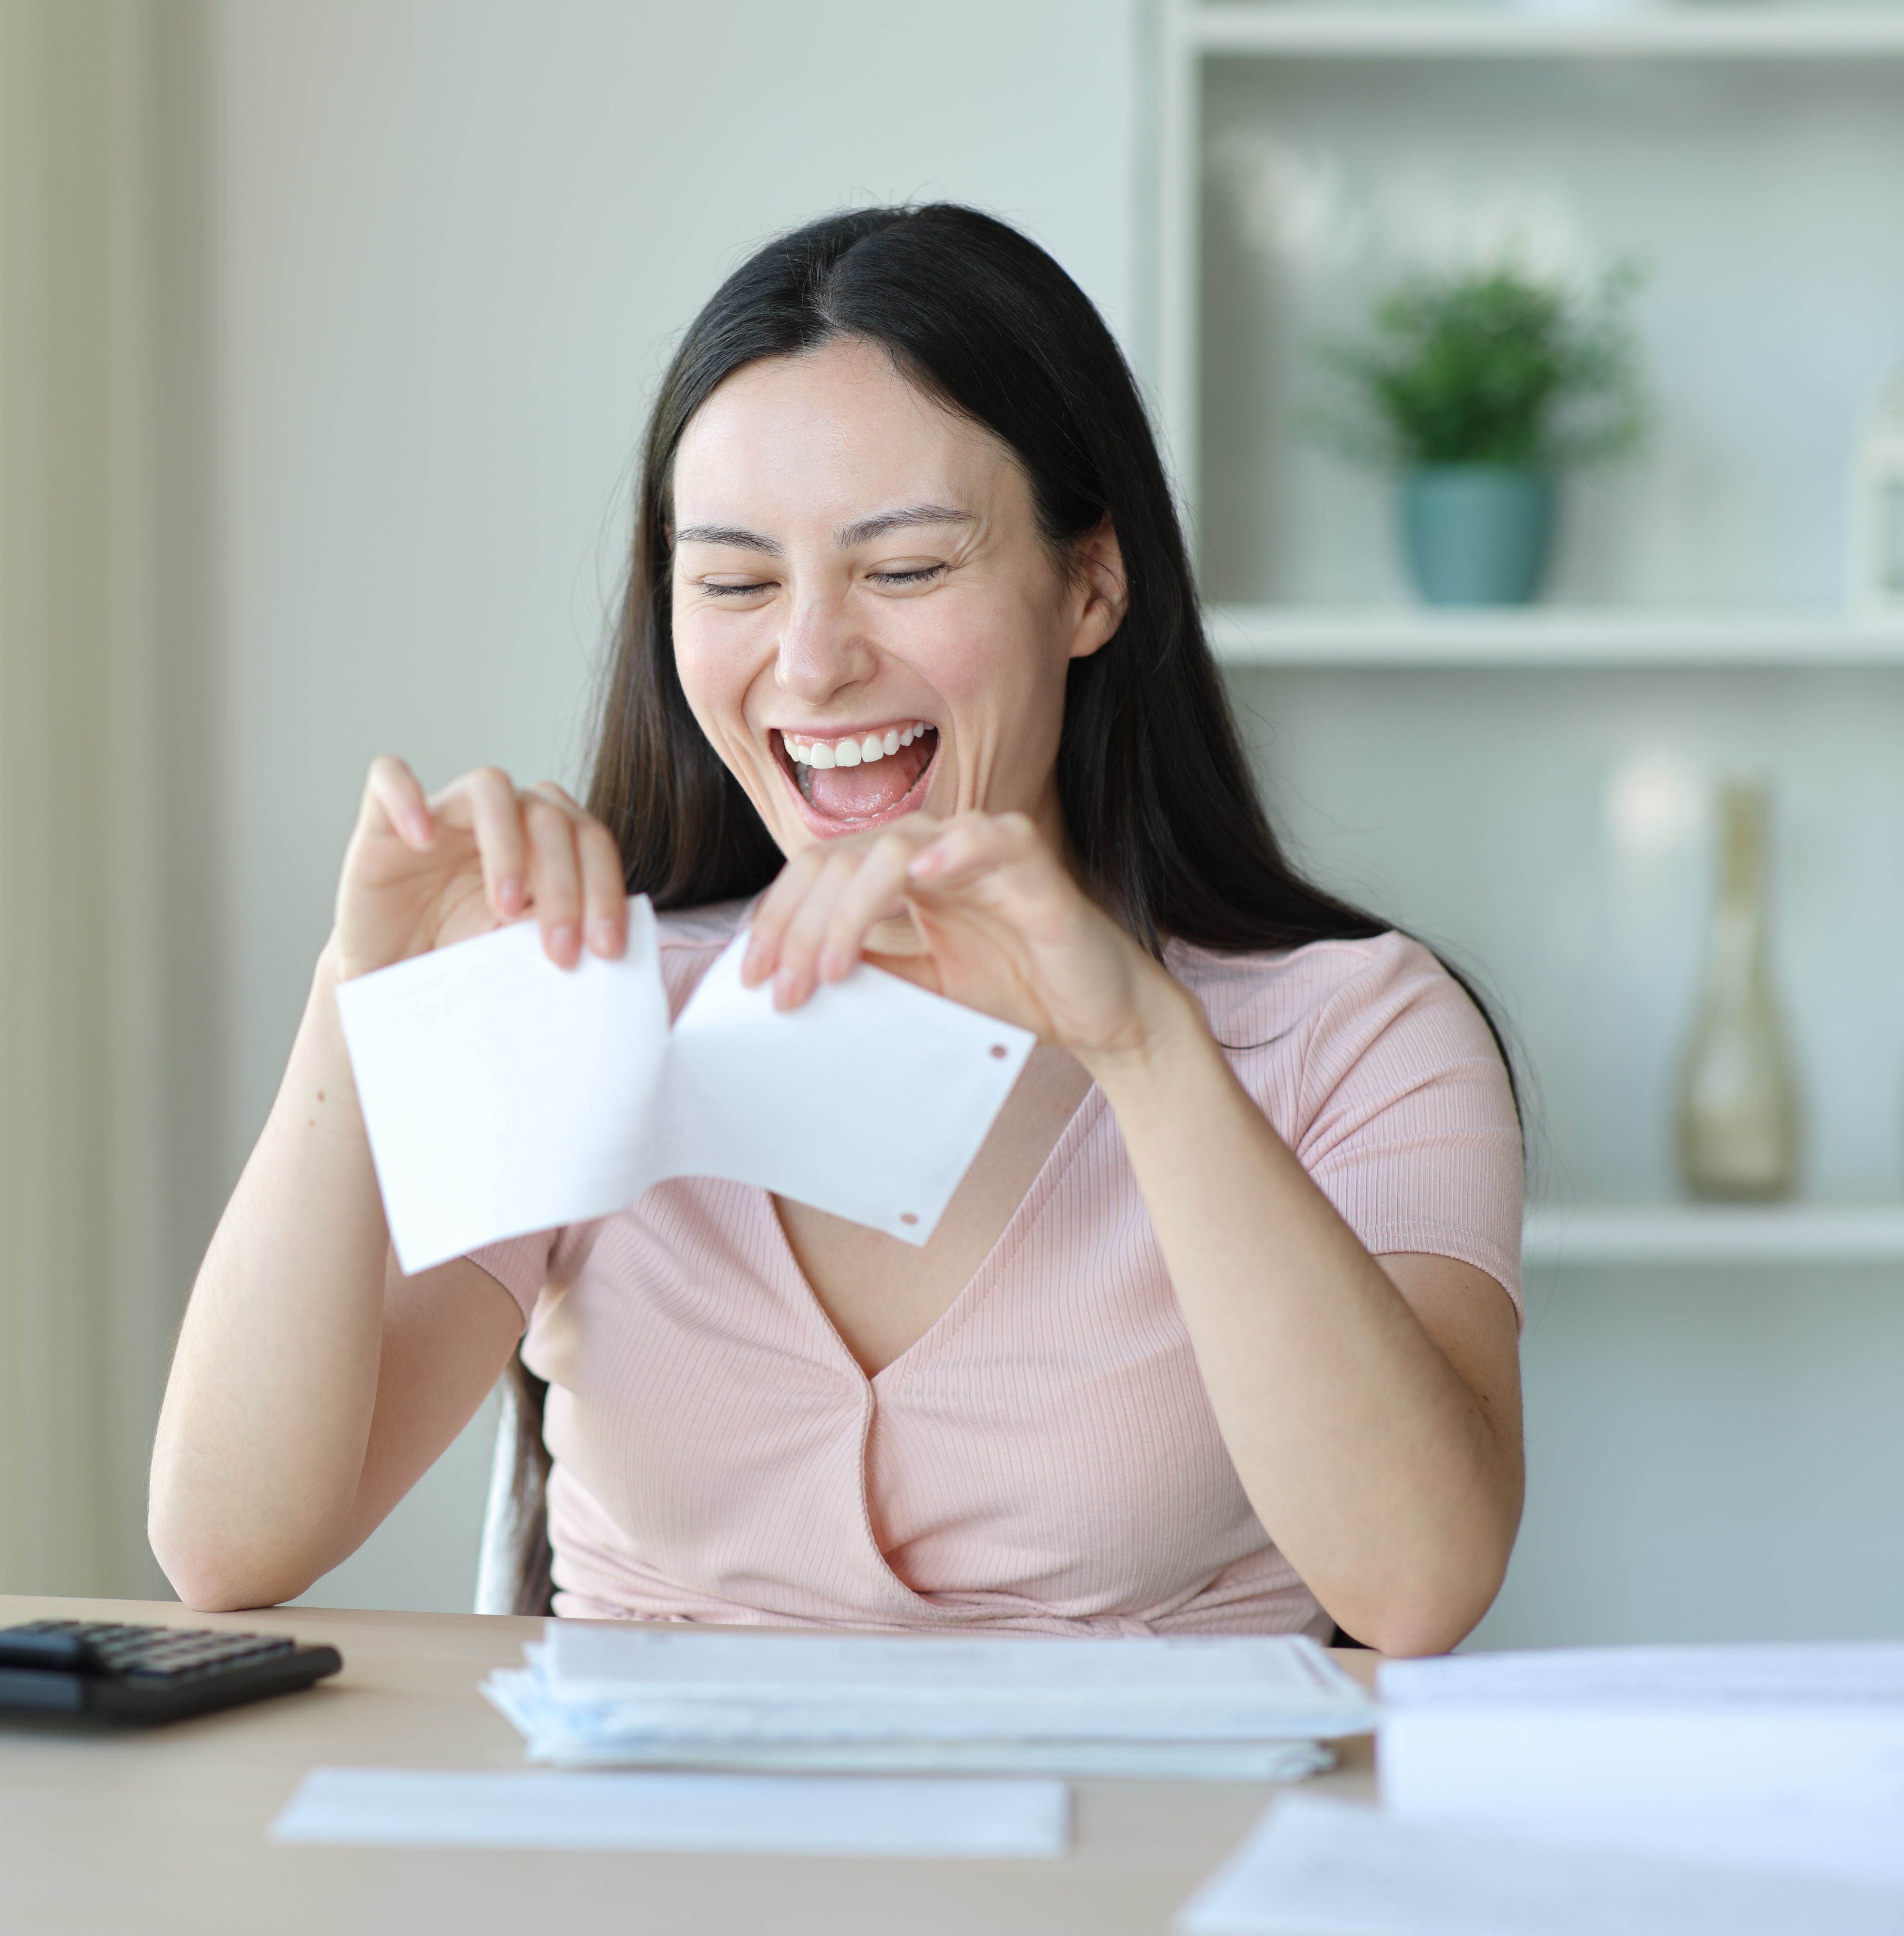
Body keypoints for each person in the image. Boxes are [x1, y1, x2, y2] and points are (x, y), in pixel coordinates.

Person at [148, 205, 1523, 1656]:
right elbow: (232, 1546)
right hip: (656, 1873)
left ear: (1092, 583)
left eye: (908, 569)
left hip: (1142, 1872)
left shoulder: (1352, 1032)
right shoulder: (607, 1006)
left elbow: (1417, 1589)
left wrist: (1143, 1049)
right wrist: (356, 993)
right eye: (738, 582)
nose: (811, 660)